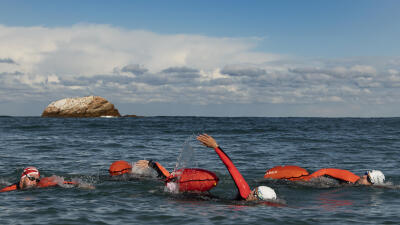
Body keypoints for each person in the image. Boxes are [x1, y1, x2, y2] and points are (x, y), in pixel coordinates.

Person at [196, 134, 277, 201]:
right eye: (253, 190)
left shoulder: (247, 199)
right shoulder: (245, 192)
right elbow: (231, 167)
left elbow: (231, 167)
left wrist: (216, 147)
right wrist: (215, 146)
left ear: (258, 198)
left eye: (254, 193)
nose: (250, 192)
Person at [264, 165, 385, 186]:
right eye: (365, 174)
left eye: (367, 177)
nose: (363, 176)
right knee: (286, 184)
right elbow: (325, 170)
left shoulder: (359, 186)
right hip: (312, 180)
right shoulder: (349, 177)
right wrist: (310, 179)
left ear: (371, 184)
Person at [1, 166, 84, 193]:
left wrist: (79, 185)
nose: (34, 182)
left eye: (36, 180)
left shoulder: (40, 184)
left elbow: (61, 182)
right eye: (32, 178)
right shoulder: (12, 188)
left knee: (51, 179)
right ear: (23, 178)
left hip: (46, 181)